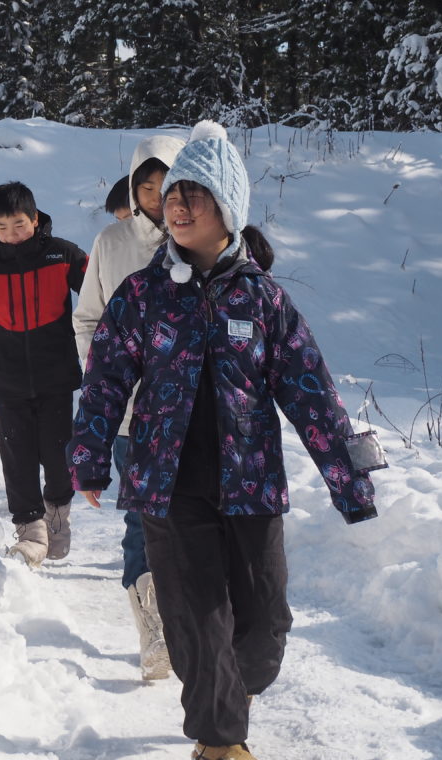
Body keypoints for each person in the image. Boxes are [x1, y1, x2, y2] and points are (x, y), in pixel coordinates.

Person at [68, 120, 386, 760]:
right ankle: (219, 741)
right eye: (173, 197)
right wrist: (90, 457)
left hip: (251, 485)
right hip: (168, 485)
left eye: (195, 197)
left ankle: (228, 696)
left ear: (228, 208)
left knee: (264, 627)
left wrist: (349, 478)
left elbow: (311, 392)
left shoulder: (263, 300)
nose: (178, 208)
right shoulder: (143, 295)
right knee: (200, 617)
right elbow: (104, 381)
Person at [73, 134, 185, 681]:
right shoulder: (111, 242)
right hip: (130, 414)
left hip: (193, 413)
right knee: (144, 518)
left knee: (188, 519)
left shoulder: (201, 239)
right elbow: (88, 319)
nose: (159, 198)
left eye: (169, 185)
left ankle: (190, 620)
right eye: (148, 187)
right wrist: (108, 381)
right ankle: (154, 629)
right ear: (134, 189)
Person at [0, 181, 88, 566]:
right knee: (17, 455)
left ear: (35, 218)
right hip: (6, 377)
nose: (11, 234)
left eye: (19, 225)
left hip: (55, 374)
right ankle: (30, 529)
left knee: (58, 453)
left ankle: (57, 514)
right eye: (2, 227)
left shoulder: (63, 255)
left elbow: (100, 289)